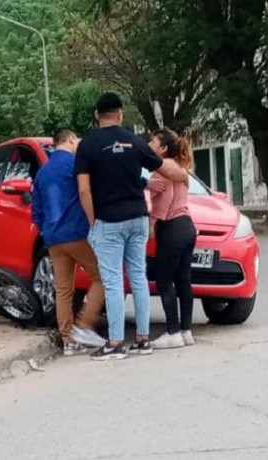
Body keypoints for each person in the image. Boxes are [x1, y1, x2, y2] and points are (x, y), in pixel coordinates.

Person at [75, 92, 188, 361]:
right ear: (120, 114)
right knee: (138, 277)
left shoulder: (88, 146)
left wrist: (93, 222)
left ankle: (115, 343)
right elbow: (167, 170)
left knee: (113, 280)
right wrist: (185, 175)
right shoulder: (135, 141)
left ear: (96, 115)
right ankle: (143, 339)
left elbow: (83, 190)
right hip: (138, 217)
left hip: (109, 220)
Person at [31, 129, 107, 356]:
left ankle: (67, 340)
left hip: (53, 238)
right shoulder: (75, 165)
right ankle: (83, 327)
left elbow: (36, 209)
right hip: (77, 232)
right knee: (102, 275)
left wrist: (46, 230)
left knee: (63, 289)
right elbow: (87, 192)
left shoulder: (43, 172)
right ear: (71, 139)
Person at [147, 128, 197, 349]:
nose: (149, 145)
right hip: (187, 226)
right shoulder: (180, 168)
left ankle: (173, 331)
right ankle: (186, 330)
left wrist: (152, 221)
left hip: (172, 228)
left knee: (164, 280)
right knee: (183, 279)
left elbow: (164, 200)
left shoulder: (163, 169)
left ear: (163, 148)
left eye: (153, 142)